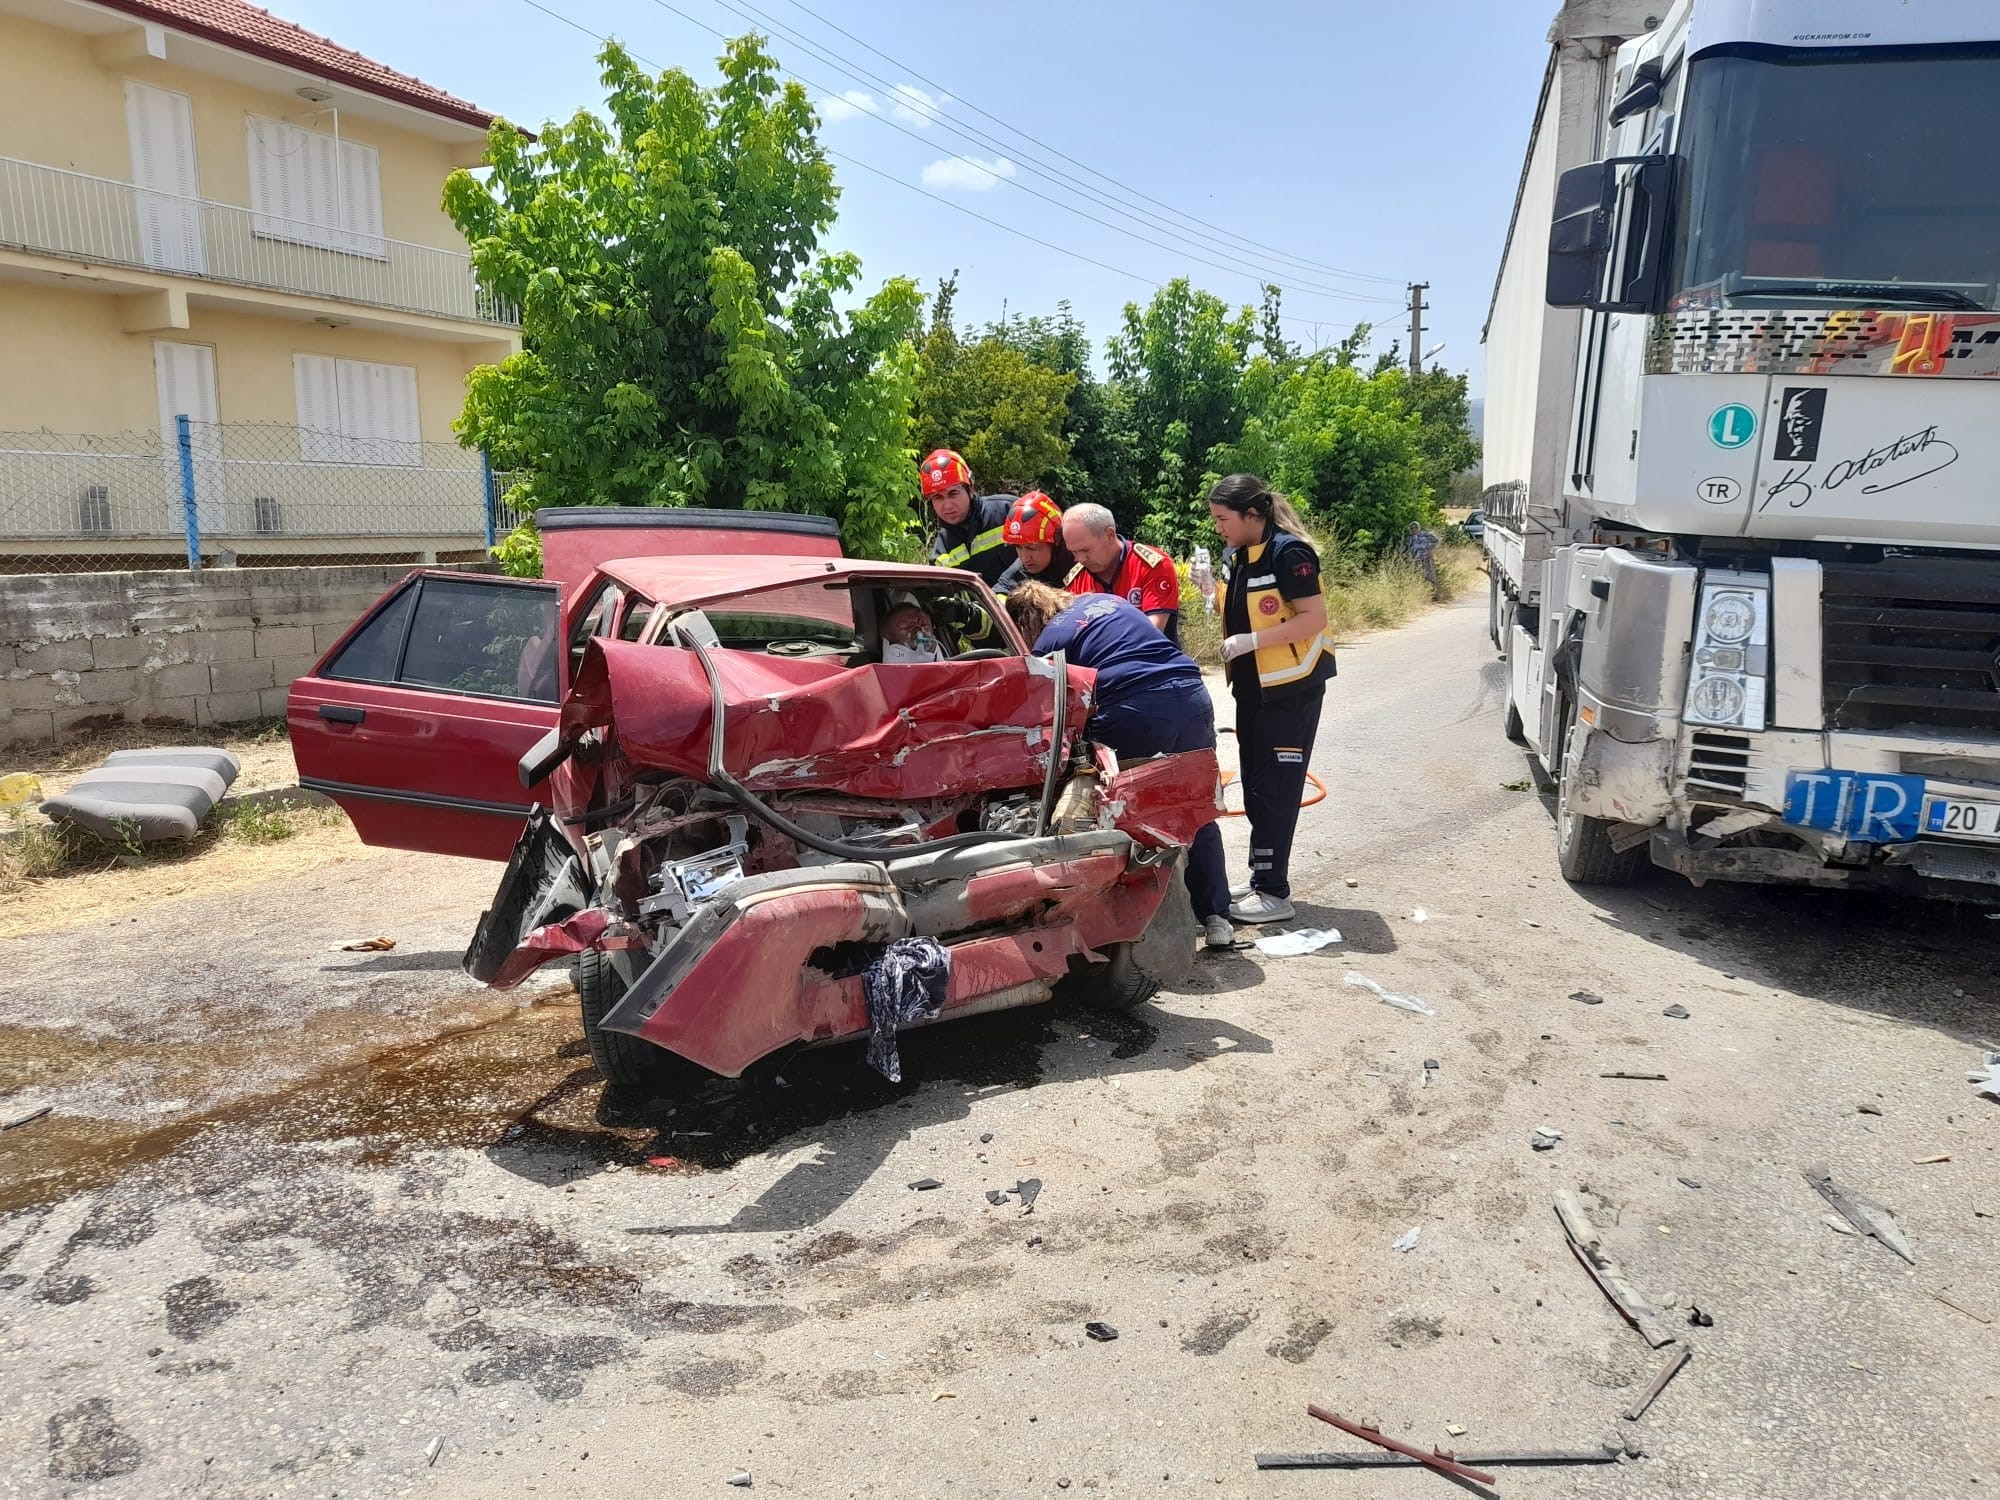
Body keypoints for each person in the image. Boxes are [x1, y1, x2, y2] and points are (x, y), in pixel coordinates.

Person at [1004, 581, 1233, 950]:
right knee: (1195, 806)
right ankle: (1217, 917)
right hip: (1190, 696)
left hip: (1133, 709)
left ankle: (1139, 932)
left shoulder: (1047, 640)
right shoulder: (1105, 601)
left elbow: (1047, 713)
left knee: (1127, 817)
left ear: (1023, 623)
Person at [1208, 474, 1337, 924]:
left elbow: (1312, 619)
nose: (1218, 527)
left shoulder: (1290, 553)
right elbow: (1245, 605)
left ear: (1252, 515)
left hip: (1291, 690)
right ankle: (1263, 878)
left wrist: (1253, 642)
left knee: (1278, 790)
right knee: (1257, 786)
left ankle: (1275, 894)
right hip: (1253, 690)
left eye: (1224, 518)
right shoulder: (1239, 554)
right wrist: (1212, 594)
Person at [1061, 503, 1182, 644]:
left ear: (1110, 535)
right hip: (1096, 664)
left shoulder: (1151, 565)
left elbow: (1152, 632)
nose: (1080, 559)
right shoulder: (1076, 580)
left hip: (1154, 661)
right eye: (1074, 552)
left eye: (1085, 550)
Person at [920, 448, 1014, 591]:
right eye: (938, 497)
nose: (947, 506)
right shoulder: (941, 553)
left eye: (953, 493)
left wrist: (1004, 589)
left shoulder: (1007, 512)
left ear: (970, 489)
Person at [994, 492, 1076, 596]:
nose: (1025, 558)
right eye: (1018, 547)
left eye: (1033, 547)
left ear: (1057, 540)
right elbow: (1000, 594)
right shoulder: (1018, 571)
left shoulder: (1081, 562)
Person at [1407, 520, 1441, 598]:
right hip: (1416, 560)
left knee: (1431, 576)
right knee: (1421, 576)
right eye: (1412, 528)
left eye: (1416, 527)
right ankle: (1424, 595)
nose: (1414, 529)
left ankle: (1435, 594)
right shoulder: (1410, 539)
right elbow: (1409, 549)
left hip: (1426, 558)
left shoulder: (1425, 534)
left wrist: (1428, 548)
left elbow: (1436, 540)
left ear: (1419, 527)